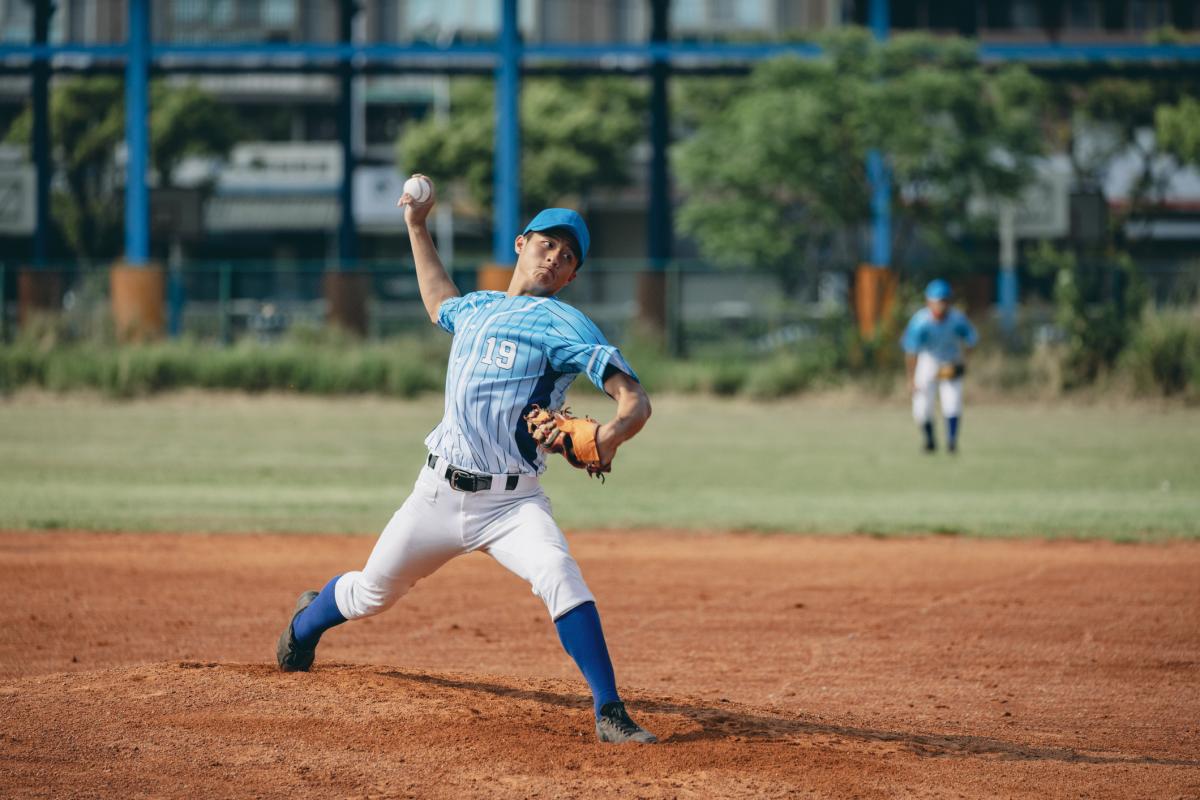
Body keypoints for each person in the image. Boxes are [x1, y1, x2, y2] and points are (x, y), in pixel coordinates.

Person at [274, 175, 658, 745]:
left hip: (512, 503)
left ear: (574, 276)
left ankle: (610, 712)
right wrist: (416, 223)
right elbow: (438, 299)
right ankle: (305, 624)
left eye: (569, 255)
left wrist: (610, 434)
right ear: (521, 244)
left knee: (557, 572)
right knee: (369, 593)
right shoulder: (475, 309)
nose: (556, 257)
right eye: (548, 243)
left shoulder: (566, 325)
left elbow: (635, 400)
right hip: (436, 493)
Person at [901, 279, 978, 454]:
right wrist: (911, 379)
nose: (941, 305)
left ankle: (952, 442)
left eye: (944, 300)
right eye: (937, 301)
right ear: (929, 301)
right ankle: (929, 441)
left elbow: (971, 340)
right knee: (922, 406)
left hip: (951, 361)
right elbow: (911, 351)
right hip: (927, 361)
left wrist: (964, 362)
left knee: (952, 403)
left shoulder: (957, 319)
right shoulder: (920, 322)